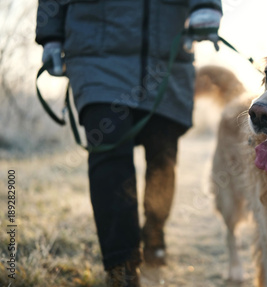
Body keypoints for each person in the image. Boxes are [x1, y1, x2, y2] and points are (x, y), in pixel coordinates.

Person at [35, 0, 222, 286]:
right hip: (96, 53)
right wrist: (50, 36)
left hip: (166, 53)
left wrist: (206, 5)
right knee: (108, 151)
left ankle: (155, 231)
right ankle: (121, 265)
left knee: (163, 154)